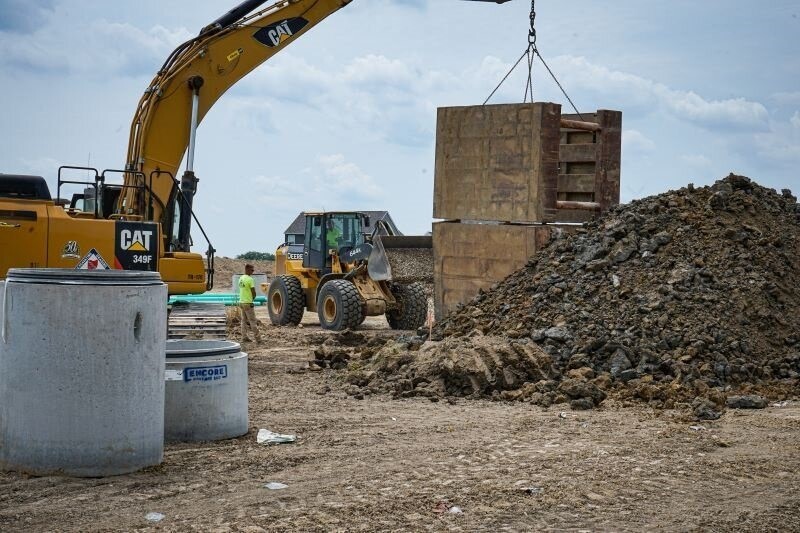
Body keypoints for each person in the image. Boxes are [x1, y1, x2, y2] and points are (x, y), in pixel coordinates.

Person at [238, 264, 262, 343]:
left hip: (241, 302)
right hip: (248, 303)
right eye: (252, 270)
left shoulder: (241, 278)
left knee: (243, 321)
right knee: (252, 321)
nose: (253, 271)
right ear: (247, 269)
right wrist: (252, 299)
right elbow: (253, 292)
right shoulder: (250, 279)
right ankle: (258, 339)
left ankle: (244, 337)